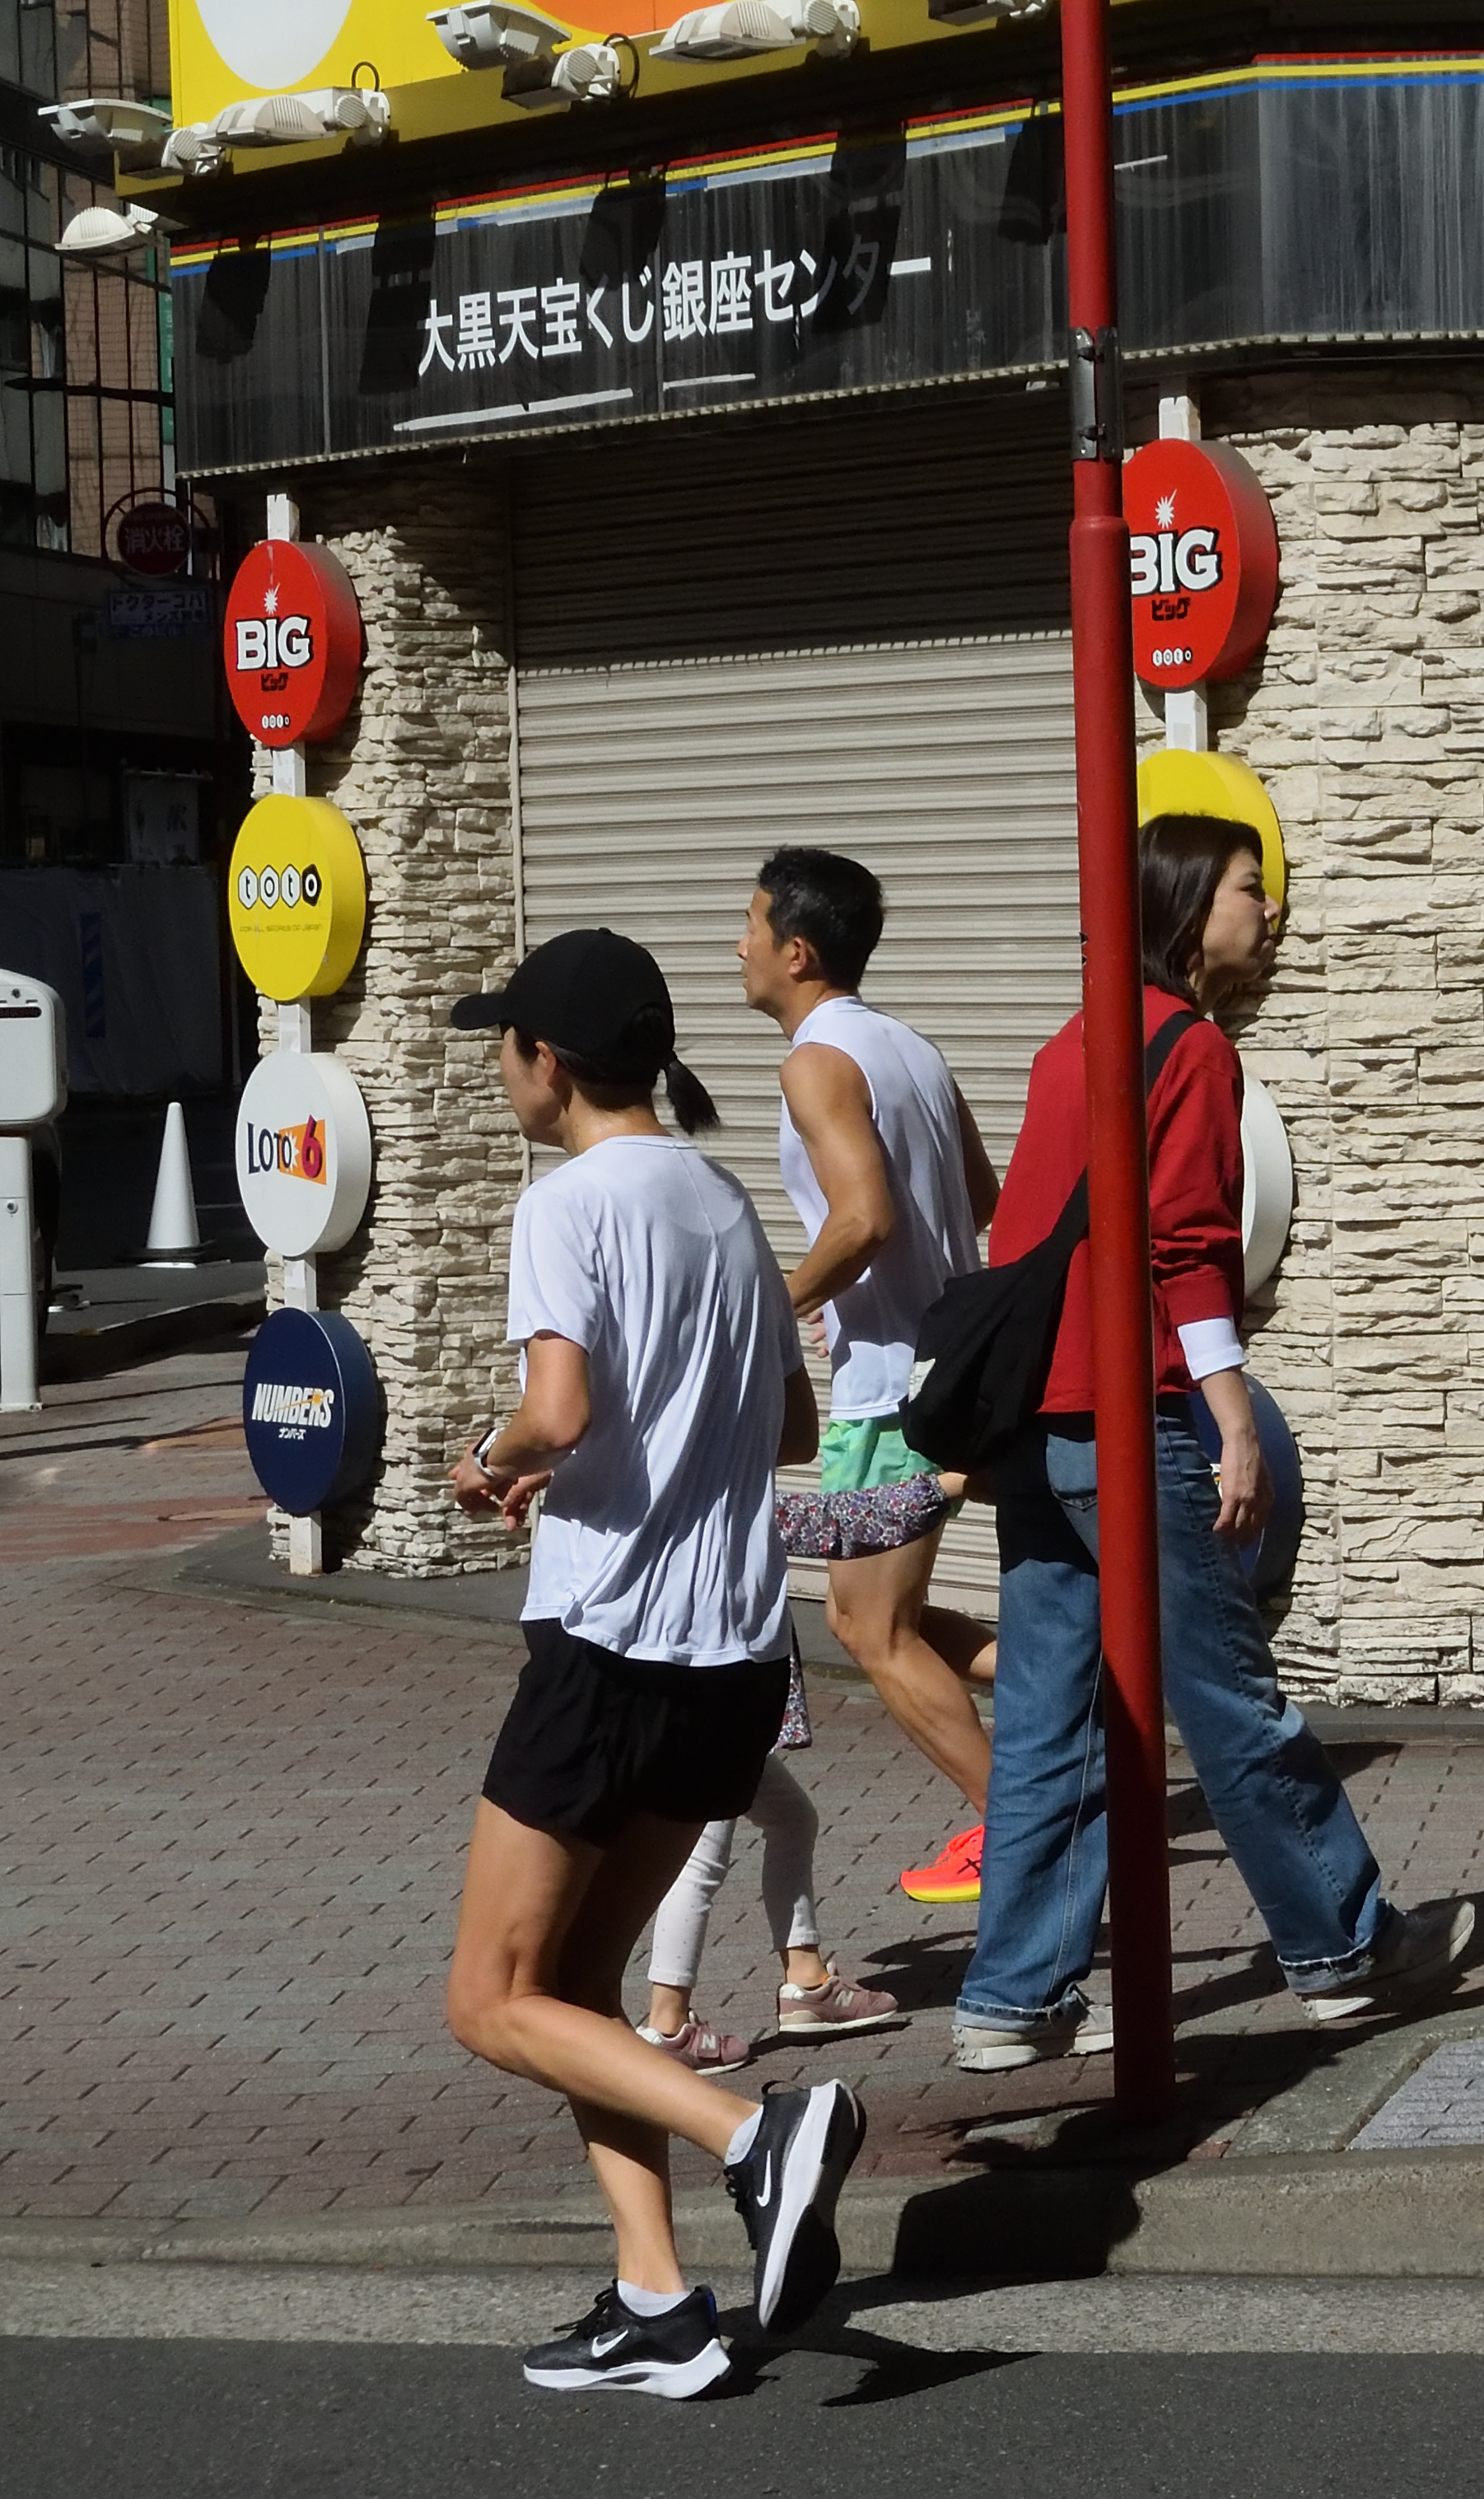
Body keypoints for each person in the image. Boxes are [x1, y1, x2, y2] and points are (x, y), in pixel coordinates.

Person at [950, 814, 1470, 2068]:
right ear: (1190, 906)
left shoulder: (1071, 1044)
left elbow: (1021, 1236)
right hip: (1132, 1418)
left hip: (1042, 1424)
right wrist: (1231, 1415)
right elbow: (1183, 1243)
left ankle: (1010, 2000)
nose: (1271, 913)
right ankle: (1343, 1945)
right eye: (1251, 890)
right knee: (1228, 1694)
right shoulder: (1187, 1046)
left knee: (1047, 1721)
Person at [439, 928, 861, 2399]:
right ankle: (660, 2301)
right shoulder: (720, 1198)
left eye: (506, 1044)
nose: (502, 1066)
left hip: (611, 1648)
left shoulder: (568, 1200)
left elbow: (554, 1409)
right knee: (577, 1986)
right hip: (734, 1656)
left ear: (547, 1063)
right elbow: (792, 1431)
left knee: (490, 1998)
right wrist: (622, 1451)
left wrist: (490, 1457)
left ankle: (760, 2138)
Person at [733, 846, 1001, 1910]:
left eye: (750, 924)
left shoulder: (815, 1062)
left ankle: (1034, 1838)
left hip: (890, 1394)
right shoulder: (912, 1050)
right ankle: (1088, 1708)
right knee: (890, 1617)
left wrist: (769, 1309)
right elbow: (977, 1192)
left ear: (797, 951)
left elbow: (863, 1217)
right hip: (945, 1376)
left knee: (867, 1628)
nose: (737, 944)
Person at [635, 1475, 962, 2070]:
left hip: (691, 1698)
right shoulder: (721, 1493)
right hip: (716, 1701)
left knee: (791, 1820)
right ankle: (668, 2024)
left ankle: (808, 1983)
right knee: (700, 1857)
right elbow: (841, 1523)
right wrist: (945, 1485)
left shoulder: (656, 1493)